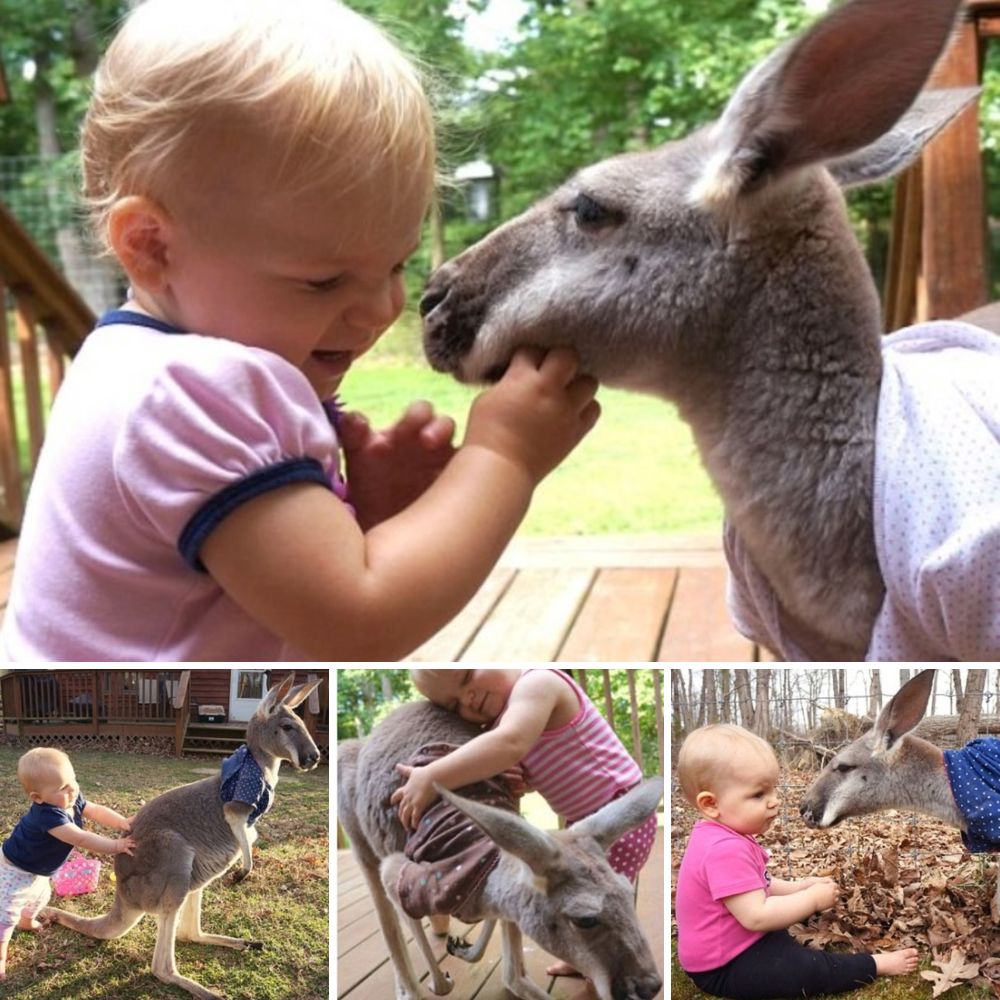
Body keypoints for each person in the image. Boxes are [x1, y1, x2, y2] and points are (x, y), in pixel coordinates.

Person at [0, 0, 600, 661]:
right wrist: (505, 455)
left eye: (395, 265)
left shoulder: (119, 362)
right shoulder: (195, 389)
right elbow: (362, 622)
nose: (379, 310)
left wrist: (363, 524)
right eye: (323, 281)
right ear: (150, 246)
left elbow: (261, 598)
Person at [392, 668, 658, 978]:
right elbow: (537, 757)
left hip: (617, 815)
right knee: (585, 902)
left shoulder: (537, 683)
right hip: (584, 822)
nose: (469, 699)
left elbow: (511, 743)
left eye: (466, 677)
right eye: (454, 705)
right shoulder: (506, 716)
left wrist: (432, 775)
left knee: (599, 904)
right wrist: (522, 781)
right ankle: (588, 959)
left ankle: (616, 972)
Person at [674, 724, 919, 999]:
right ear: (710, 804)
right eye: (758, 795)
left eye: (773, 790)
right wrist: (812, 900)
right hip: (723, 967)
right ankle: (874, 965)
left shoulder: (721, 834)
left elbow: (759, 885)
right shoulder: (723, 848)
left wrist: (801, 886)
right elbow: (757, 915)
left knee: (782, 933)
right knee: (805, 971)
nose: (774, 802)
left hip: (737, 944)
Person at [0, 747, 137, 980]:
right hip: (16, 868)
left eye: (73, 779)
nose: (72, 788)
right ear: (38, 797)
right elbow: (81, 838)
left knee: (41, 897)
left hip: (39, 870)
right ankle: (1, 956)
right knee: (6, 913)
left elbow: (94, 810)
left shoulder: (71, 798)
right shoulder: (47, 816)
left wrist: (121, 822)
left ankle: (27, 920)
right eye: (63, 787)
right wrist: (115, 846)